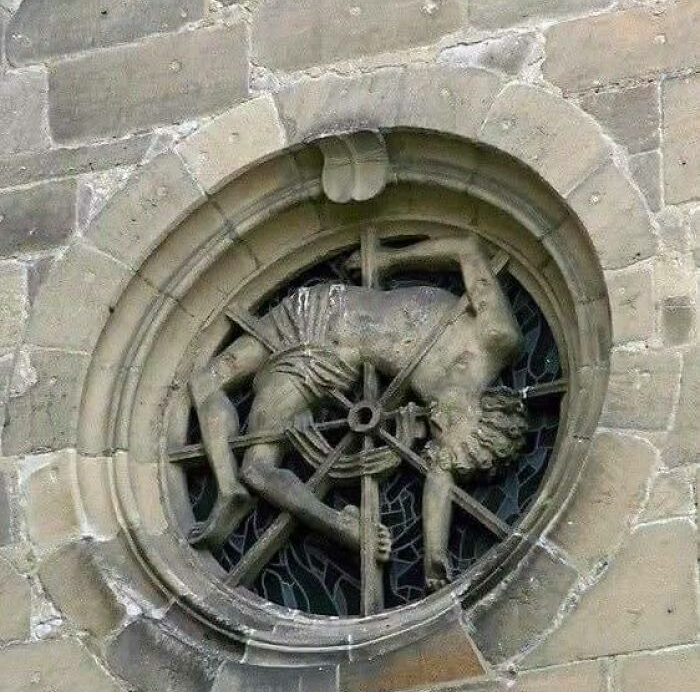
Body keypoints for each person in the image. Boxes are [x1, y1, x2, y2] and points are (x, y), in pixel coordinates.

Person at [186, 234, 526, 591]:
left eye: (440, 431)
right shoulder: (499, 337)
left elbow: (439, 481)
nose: (435, 420)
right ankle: (228, 487)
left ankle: (333, 522)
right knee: (206, 381)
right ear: (487, 408)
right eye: (450, 421)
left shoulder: (449, 426)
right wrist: (388, 259)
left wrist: (434, 557)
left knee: (256, 468)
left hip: (325, 360)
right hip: (316, 310)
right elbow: (467, 247)